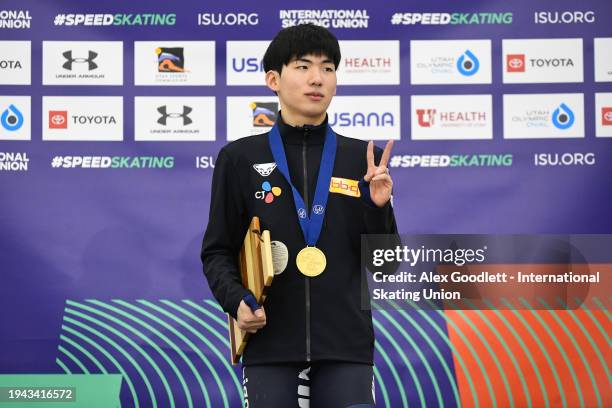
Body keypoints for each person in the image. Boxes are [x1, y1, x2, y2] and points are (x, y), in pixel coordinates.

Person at [201, 23, 397, 408]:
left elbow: (385, 266)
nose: (317, 78)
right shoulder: (239, 159)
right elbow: (218, 251)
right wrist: (237, 300)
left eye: (327, 68)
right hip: (270, 343)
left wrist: (378, 209)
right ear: (273, 80)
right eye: (303, 66)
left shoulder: (362, 159)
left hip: (346, 346)